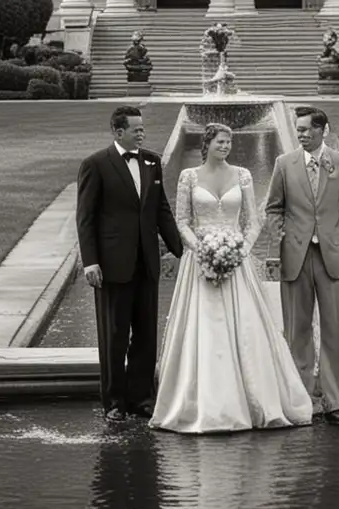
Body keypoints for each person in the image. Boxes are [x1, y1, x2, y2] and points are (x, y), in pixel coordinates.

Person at [151, 123, 313, 434]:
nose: (226, 146)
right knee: (205, 328)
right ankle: (205, 406)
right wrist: (203, 249)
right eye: (221, 141)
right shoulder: (188, 177)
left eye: (229, 142)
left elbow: (254, 220)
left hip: (237, 260)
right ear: (207, 143)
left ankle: (253, 401)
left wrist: (239, 250)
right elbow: (182, 221)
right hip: (199, 262)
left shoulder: (243, 175)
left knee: (246, 328)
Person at [76, 107, 184, 424]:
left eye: (142, 127)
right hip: (111, 266)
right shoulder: (95, 164)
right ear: (117, 131)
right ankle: (113, 402)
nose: (141, 132)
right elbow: (85, 218)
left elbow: (161, 209)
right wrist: (90, 261)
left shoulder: (152, 161)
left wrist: (182, 251)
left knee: (146, 335)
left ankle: (141, 399)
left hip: (146, 264)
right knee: (114, 336)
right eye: (135, 128)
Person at [263, 108, 339, 425]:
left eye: (306, 129)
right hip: (295, 256)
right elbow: (273, 208)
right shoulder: (284, 163)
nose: (300, 134)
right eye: (298, 129)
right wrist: (281, 238)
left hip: (332, 256)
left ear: (322, 130)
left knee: (334, 331)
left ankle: (335, 402)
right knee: (297, 332)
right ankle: (301, 400)